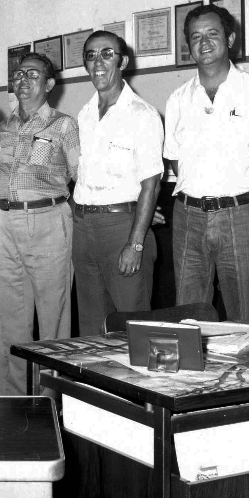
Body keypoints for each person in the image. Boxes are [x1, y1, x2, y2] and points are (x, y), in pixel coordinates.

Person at [164, 4, 249, 321]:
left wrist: (241, 198)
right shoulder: (178, 99)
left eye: (212, 34)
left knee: (244, 316)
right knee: (188, 317)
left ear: (230, 39)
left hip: (239, 216)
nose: (203, 43)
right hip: (187, 217)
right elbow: (176, 158)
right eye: (195, 37)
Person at [0, 52, 79, 395]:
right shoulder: (0, 127)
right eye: (18, 74)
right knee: (10, 318)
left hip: (48, 220)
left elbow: (81, 177)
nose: (23, 81)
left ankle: (52, 399)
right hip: (5, 222)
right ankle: (14, 399)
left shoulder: (63, 124)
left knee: (53, 317)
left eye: (33, 75)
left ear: (50, 84)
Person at [72, 31, 164, 336]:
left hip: (121, 231)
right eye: (90, 55)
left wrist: (136, 243)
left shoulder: (143, 115)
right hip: (84, 229)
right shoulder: (83, 116)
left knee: (133, 329)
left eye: (106, 53)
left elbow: (151, 185)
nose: (98, 62)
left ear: (122, 61)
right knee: (92, 329)